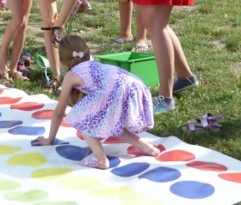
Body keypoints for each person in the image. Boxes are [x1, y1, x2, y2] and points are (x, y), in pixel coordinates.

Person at [34, 35, 159, 170]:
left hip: (115, 90)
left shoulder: (71, 76)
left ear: (62, 59)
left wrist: (50, 139)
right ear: (87, 52)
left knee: (87, 122)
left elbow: (59, 111)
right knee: (113, 123)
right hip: (134, 83)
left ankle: (101, 159)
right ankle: (148, 148)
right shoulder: (94, 64)